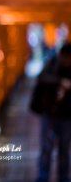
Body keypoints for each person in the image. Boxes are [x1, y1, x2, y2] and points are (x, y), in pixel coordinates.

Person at [30, 42, 71, 182]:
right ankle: (43, 176)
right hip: (50, 113)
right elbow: (42, 78)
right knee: (46, 148)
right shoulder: (52, 65)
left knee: (64, 149)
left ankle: (63, 177)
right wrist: (60, 82)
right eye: (64, 57)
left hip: (66, 116)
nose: (66, 61)